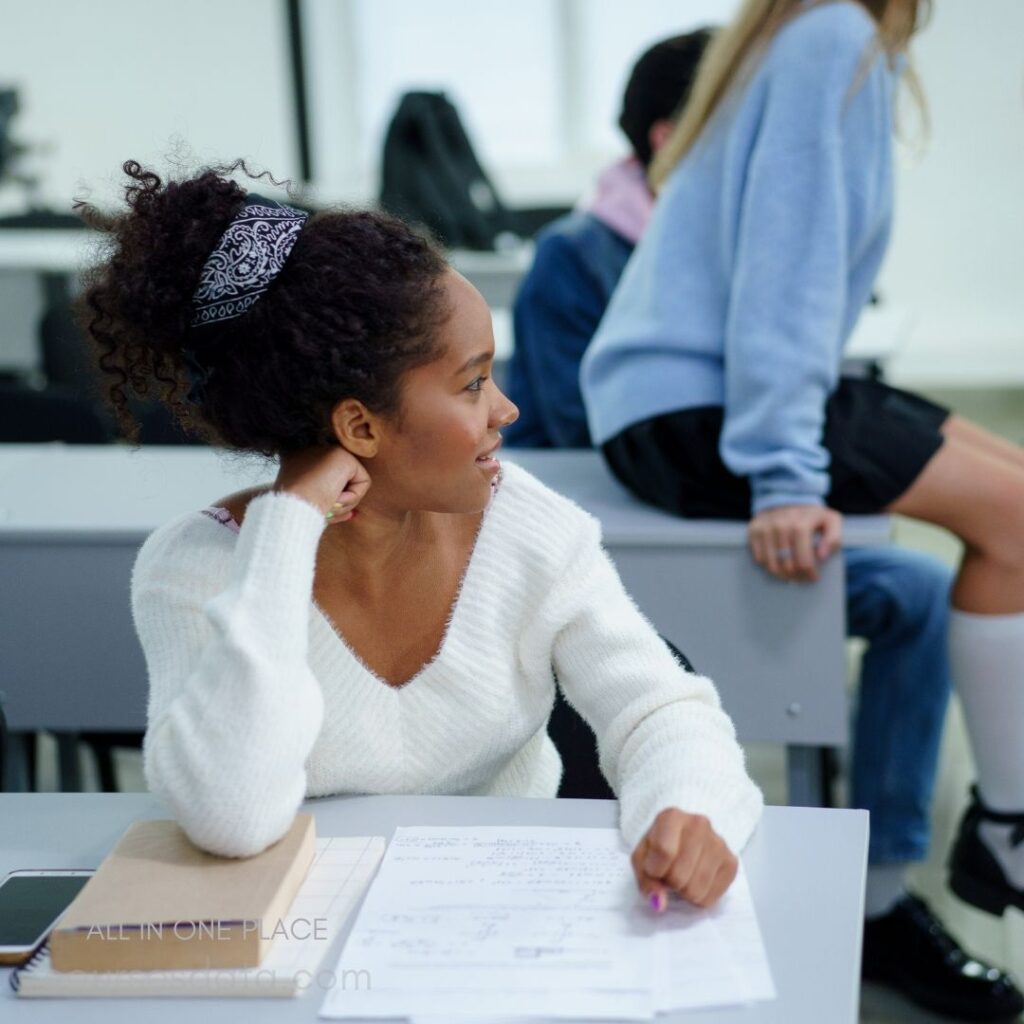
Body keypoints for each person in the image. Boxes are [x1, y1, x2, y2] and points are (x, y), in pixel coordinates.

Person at [72, 160, 763, 912]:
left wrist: (689, 807)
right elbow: (231, 817)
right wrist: (287, 526)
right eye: (473, 384)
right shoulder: (195, 569)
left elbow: (659, 707)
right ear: (359, 426)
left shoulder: (526, 524)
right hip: (312, 943)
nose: (507, 411)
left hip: (515, 918)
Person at [513, 25, 982, 1018]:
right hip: (671, 530)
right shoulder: (579, 257)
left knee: (927, 592)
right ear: (666, 130)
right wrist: (778, 480)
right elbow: (559, 439)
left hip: (758, 500)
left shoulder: (707, 225)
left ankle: (885, 888)